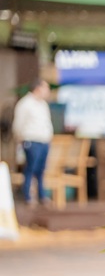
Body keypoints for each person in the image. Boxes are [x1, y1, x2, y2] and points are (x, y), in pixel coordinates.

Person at [12, 78, 54, 206]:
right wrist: (19, 139)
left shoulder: (43, 104)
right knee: (31, 168)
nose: (47, 91)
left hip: (44, 140)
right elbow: (18, 124)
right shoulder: (25, 104)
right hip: (31, 141)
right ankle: (28, 196)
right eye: (45, 88)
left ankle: (42, 195)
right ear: (38, 89)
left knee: (41, 170)